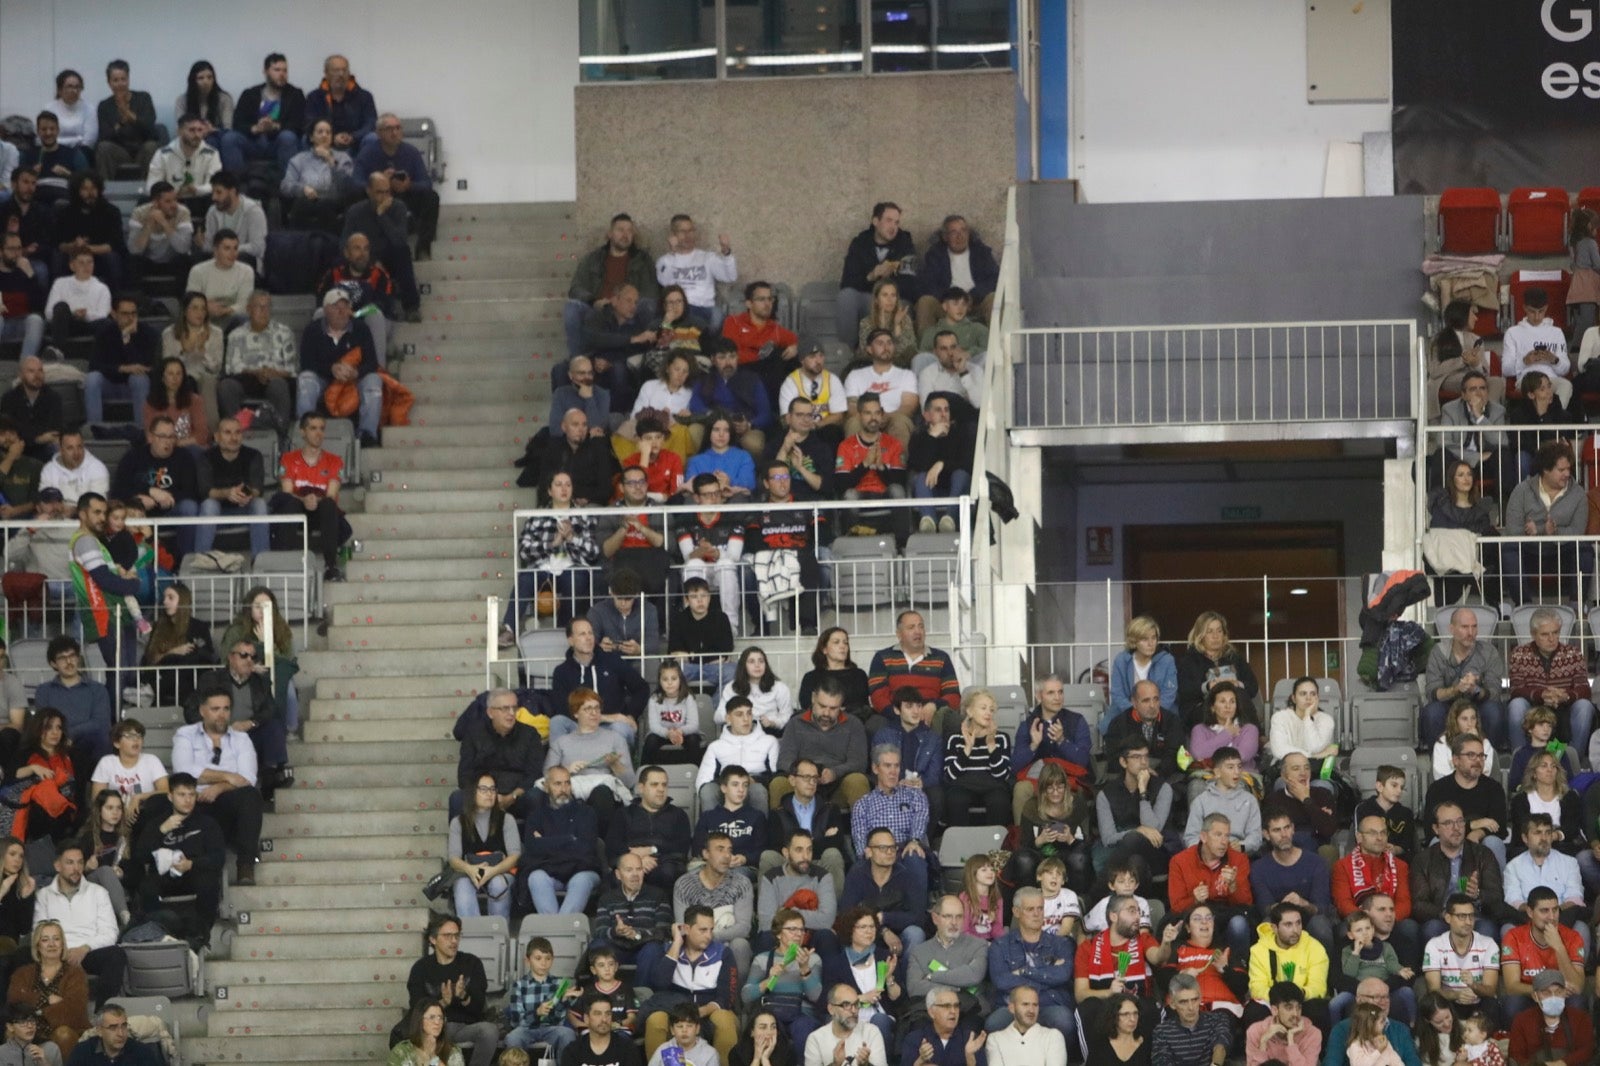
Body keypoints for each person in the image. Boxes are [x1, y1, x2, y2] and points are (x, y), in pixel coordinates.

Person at [169, 687, 265, 885]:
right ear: (202, 711)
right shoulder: (185, 734)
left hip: (227, 803)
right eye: (215, 709)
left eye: (226, 709)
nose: (222, 715)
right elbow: (184, 773)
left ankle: (245, 865)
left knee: (251, 796)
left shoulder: (241, 739)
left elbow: (247, 778)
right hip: (193, 802)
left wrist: (219, 787)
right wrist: (228, 776)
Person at [1075, 892, 1176, 1049]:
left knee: (1151, 1008)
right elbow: (1080, 994)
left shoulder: (1143, 939)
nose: (1138, 917)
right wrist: (1108, 993)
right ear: (1114, 916)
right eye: (1131, 911)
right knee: (1088, 1008)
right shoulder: (1088, 947)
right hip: (1104, 1005)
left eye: (1138, 912)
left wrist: (1166, 943)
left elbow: (1158, 958)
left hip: (1137, 1003)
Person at [30, 842, 123, 1004]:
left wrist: (84, 948)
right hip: (56, 953)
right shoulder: (44, 895)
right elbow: (39, 932)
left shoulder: (98, 892)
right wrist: (63, 953)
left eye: (80, 862)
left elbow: (110, 932)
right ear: (57, 866)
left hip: (89, 951)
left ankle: (103, 1012)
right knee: (22, 956)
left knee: (117, 955)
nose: (76, 868)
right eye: (70, 863)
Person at [645, 905, 741, 1060]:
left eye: (711, 929)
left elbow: (727, 997)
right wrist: (676, 943)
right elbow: (659, 984)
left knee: (725, 1020)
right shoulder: (670, 950)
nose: (709, 935)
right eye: (703, 930)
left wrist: (701, 1011)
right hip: (676, 1012)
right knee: (656, 1020)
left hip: (710, 1012)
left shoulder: (723, 953)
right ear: (687, 929)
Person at [1501, 441, 1589, 607]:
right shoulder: (1522, 490)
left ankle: (1577, 605)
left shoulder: (1578, 494)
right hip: (1531, 552)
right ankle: (1524, 606)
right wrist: (1533, 534)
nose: (1567, 474)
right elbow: (1512, 530)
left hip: (1561, 552)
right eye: (1561, 470)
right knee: (1509, 549)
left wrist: (1549, 532)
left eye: (1568, 469)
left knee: (1584, 549)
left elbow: (1577, 531)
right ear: (1545, 470)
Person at [271, 413, 354, 583]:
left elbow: (331, 493)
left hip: (322, 512)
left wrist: (315, 500)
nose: (319, 433)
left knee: (329, 504)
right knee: (288, 501)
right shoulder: (288, 459)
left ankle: (331, 566)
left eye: (322, 429)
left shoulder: (334, 461)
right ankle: (285, 562)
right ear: (302, 432)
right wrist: (304, 500)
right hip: (297, 508)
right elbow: (287, 491)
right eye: (313, 428)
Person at [405, 914, 497, 1066]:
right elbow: (417, 1008)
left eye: (456, 935)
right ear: (433, 939)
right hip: (435, 1028)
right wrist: (442, 1003)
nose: (454, 941)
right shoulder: (420, 968)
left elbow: (479, 1007)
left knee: (489, 1031)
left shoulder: (472, 963)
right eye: (448, 936)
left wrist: (464, 996)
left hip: (465, 1027)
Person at [564, 213, 659, 358]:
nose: (625, 235)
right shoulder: (593, 259)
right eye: (620, 230)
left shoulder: (643, 260)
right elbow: (576, 288)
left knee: (649, 305)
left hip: (629, 308)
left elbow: (651, 291)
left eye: (629, 231)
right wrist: (594, 301)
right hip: (598, 308)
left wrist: (625, 304)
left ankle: (644, 359)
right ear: (609, 234)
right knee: (572, 307)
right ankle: (578, 362)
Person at [985, 886, 1075, 1037]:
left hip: (1049, 1004)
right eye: (1030, 909)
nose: (1037, 914)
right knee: (994, 1024)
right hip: (1012, 1006)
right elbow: (1001, 981)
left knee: (1064, 1021)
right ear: (1016, 912)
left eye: (1040, 908)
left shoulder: (1060, 943)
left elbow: (1063, 975)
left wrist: (1024, 971)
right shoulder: (1000, 945)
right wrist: (1046, 976)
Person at [773, 679, 870, 811]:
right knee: (778, 784)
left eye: (833, 708)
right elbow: (784, 761)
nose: (826, 713)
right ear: (813, 698)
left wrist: (834, 773)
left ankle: (863, 831)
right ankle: (781, 830)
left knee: (857, 781)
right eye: (822, 706)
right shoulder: (795, 724)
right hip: (802, 783)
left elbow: (858, 763)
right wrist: (806, 774)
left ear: (841, 705)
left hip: (837, 785)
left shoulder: (854, 724)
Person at [1506, 609, 1595, 753]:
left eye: (1555, 632)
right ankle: (1521, 757)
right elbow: (1516, 689)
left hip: (1565, 707)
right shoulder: (1519, 653)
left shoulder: (1573, 653)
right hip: (1533, 707)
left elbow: (1584, 689)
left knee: (1584, 706)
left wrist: (1565, 696)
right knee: (1516, 705)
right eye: (1545, 634)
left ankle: (1573, 760)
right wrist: (1541, 695)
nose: (1552, 638)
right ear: (1533, 634)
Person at [1169, 811, 1255, 959]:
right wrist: (1194, 900)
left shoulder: (1239, 860)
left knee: (1239, 924)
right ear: (1203, 837)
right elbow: (1176, 906)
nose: (1224, 842)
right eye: (1218, 835)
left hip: (1227, 914)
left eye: (1227, 836)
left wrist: (1233, 886)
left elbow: (1246, 904)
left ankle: (1239, 967)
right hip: (1195, 915)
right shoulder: (1180, 861)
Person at [1421, 610, 1507, 754]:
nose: (1470, 632)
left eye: (1474, 627)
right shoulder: (1439, 652)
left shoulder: (1488, 651)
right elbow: (1433, 693)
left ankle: (1489, 760)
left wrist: (1475, 690)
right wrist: (1457, 689)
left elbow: (1495, 692)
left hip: (1478, 706)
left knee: (1494, 711)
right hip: (1448, 706)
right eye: (1465, 627)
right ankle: (1437, 760)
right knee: (1432, 712)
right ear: (1452, 629)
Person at [354, 113, 438, 260]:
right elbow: (356, 182)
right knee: (355, 197)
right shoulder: (368, 153)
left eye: (398, 128)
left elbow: (426, 183)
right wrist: (379, 182)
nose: (394, 133)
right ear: (379, 133)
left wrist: (409, 185)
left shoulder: (411, 152)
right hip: (378, 198)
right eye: (389, 129)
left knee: (432, 197)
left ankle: (424, 247)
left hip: (404, 196)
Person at [1502, 814, 1587, 952]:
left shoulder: (1569, 863)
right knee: (1507, 929)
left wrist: (1551, 913)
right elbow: (1513, 901)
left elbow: (1575, 897)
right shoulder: (1513, 866)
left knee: (1581, 928)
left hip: (1562, 919)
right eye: (1537, 833)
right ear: (1525, 838)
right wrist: (1538, 915)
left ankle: (1573, 973)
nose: (1544, 838)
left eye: (1548, 833)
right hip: (1527, 920)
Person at [1499, 885, 1585, 1020]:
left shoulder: (1573, 937)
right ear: (1530, 912)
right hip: (1531, 995)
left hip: (1561, 997)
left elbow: (1577, 987)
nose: (1552, 917)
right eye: (1544, 911)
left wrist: (1559, 948)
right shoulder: (1514, 936)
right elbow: (1511, 986)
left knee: (1577, 1002)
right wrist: (1544, 991)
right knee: (1513, 1003)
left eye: (1555, 910)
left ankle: (1569, 1041)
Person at [1421, 735, 1509, 867]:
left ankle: (1495, 887)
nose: (1478, 760)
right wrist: (1473, 824)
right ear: (1456, 760)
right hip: (1449, 841)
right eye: (1471, 755)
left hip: (1482, 844)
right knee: (1435, 843)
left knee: (1494, 843)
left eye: (1481, 756)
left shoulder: (1493, 788)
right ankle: (1441, 888)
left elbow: (1500, 827)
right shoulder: (1438, 789)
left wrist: (1478, 833)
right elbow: (1432, 829)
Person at [1095, 736, 1173, 882]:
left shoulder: (1163, 788)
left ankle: (1098, 891)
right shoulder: (1106, 794)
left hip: (1156, 852)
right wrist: (1137, 831)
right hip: (1121, 854)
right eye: (1136, 757)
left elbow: (1154, 829)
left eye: (1146, 757)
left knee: (1133, 840)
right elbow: (1108, 839)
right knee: (1135, 861)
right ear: (1123, 762)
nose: (1143, 763)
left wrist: (1143, 791)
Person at [343, 172, 420, 321]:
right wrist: (371, 262)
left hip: (391, 256)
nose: (384, 197)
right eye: (379, 192)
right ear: (368, 191)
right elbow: (344, 243)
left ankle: (411, 307)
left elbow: (399, 241)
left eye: (387, 192)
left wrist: (381, 215)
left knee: (403, 252)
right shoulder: (355, 212)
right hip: (364, 256)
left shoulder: (398, 207)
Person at [6, 922, 89, 1057]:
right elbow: (15, 1002)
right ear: (37, 945)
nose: (51, 944)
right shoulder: (22, 973)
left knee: (63, 1034)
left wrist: (35, 1008)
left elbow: (75, 1010)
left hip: (65, 1030)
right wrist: (46, 1000)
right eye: (45, 940)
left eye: (56, 939)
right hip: (29, 1028)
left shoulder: (76, 974)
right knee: (11, 1031)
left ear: (62, 944)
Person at [741, 910, 821, 1048]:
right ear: (778, 934)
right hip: (771, 1011)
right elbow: (745, 996)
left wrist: (804, 969)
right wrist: (768, 980)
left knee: (803, 1028)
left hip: (802, 1013)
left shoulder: (812, 959)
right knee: (770, 1026)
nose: (798, 934)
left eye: (802, 930)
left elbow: (815, 996)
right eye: (792, 929)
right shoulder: (763, 959)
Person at [837, 204, 916, 341]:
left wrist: (888, 286)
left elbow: (912, 285)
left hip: (896, 300)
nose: (893, 227)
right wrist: (872, 275)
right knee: (846, 297)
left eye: (896, 222)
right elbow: (847, 282)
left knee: (905, 305)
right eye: (888, 220)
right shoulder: (860, 243)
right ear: (875, 221)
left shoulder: (905, 244)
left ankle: (896, 353)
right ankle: (849, 354)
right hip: (868, 299)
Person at [446, 773, 520, 919]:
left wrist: (491, 872)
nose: (489, 794)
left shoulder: (507, 819)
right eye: (484, 789)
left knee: (499, 884)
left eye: (493, 789)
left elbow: (515, 856)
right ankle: (471, 934)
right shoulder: (458, 822)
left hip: (501, 871)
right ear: (473, 792)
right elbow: (453, 859)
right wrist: (470, 869)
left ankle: (498, 933)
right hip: (468, 871)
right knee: (462, 884)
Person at [608, 765, 693, 892]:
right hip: (630, 864)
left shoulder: (678, 815)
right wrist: (638, 861)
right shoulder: (624, 814)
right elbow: (612, 847)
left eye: (664, 785)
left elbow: (681, 849)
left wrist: (653, 850)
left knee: (668, 872)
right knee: (617, 877)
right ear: (641, 788)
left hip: (665, 865)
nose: (661, 789)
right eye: (654, 784)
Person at [217, 289, 296, 423]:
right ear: (248, 309)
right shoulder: (236, 335)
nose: (264, 311)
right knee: (226, 386)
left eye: (267, 307)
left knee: (280, 385)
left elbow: (291, 369)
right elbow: (232, 368)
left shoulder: (284, 332)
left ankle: (281, 430)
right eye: (259, 306)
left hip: (275, 378)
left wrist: (273, 373)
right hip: (246, 378)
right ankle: (234, 428)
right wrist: (256, 372)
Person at [593, 850, 674, 975]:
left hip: (645, 948)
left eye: (639, 869)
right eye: (629, 870)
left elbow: (665, 931)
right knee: (597, 945)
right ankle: (603, 991)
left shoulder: (658, 895)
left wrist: (637, 934)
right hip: (616, 949)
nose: (635, 874)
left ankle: (642, 992)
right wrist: (616, 932)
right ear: (618, 874)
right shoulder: (607, 898)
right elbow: (599, 932)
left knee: (654, 949)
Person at [1419, 893, 1499, 1019]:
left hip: (1480, 1003)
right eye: (1462, 916)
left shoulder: (1488, 944)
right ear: (1448, 918)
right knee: (1433, 1004)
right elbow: (1433, 990)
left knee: (1492, 1004)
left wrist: (1474, 985)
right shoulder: (1434, 945)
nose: (1468, 922)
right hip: (1450, 1003)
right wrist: (1457, 995)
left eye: (1471, 916)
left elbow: (1491, 990)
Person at [1175, 611, 1260, 729]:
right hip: (1202, 709)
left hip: (1233, 706)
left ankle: (1255, 735)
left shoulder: (1234, 657)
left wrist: (1237, 684)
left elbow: (1253, 686)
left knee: (1238, 693)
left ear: (1224, 634)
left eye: (1219, 631)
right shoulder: (1189, 660)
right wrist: (1208, 686)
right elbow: (1185, 691)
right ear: (1200, 635)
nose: (1215, 636)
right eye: (1209, 632)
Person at [941, 689, 1011, 827]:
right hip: (963, 786)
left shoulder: (1002, 738)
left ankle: (997, 847)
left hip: (993, 786)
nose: (988, 713)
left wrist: (991, 745)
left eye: (991, 710)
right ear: (969, 712)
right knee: (956, 799)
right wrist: (967, 748)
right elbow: (949, 775)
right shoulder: (955, 738)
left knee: (999, 800)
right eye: (983, 708)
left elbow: (1004, 776)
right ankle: (960, 845)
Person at [502, 936, 580, 1057]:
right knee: (512, 1038)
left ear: (552, 960)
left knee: (567, 1034)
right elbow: (516, 1022)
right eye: (538, 958)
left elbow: (558, 1021)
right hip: (526, 1029)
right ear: (527, 960)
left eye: (548, 958)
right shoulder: (519, 985)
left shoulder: (558, 984)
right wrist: (537, 1013)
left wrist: (563, 1001)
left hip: (551, 1028)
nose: (543, 963)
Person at [228, 53, 305, 173]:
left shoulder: (295, 94)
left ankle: (288, 186)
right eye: (277, 70)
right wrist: (254, 128)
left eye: (285, 70)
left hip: (278, 142)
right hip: (254, 141)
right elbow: (237, 123)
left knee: (288, 137)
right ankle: (233, 186)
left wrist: (275, 126)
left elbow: (299, 124)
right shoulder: (250, 94)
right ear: (265, 71)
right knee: (230, 138)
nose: (282, 74)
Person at [656, 215, 735, 324]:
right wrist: (672, 253)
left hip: (705, 308)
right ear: (673, 235)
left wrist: (726, 252)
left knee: (718, 316)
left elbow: (730, 277)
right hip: (680, 309)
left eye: (691, 231)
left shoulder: (707, 257)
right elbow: (664, 281)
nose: (688, 236)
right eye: (682, 231)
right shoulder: (665, 260)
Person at [843, 330, 917, 446]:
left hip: (894, 418)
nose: (886, 347)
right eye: (880, 343)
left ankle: (898, 464)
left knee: (901, 422)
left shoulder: (906, 375)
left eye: (889, 343)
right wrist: (872, 418)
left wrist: (887, 417)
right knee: (853, 422)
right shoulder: (855, 375)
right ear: (869, 349)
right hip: (864, 419)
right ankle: (856, 463)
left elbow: (908, 406)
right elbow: (852, 408)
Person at [1506, 969, 1594, 1066]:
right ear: (1535, 996)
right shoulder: (1522, 1021)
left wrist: (1561, 1063)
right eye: (1546, 993)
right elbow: (1515, 1056)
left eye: (1558, 992)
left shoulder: (1581, 1018)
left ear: (1565, 993)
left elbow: (1587, 1050)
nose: (1553, 997)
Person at [1501, 288, 1572, 404]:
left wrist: (1554, 360)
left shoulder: (1556, 332)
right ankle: (1547, 419)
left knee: (1566, 385)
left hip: (1551, 379)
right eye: (1532, 311)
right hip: (1527, 380)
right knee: (1539, 390)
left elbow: (1565, 369)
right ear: (1524, 308)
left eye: (1541, 311)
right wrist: (1524, 361)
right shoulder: (1512, 332)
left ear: (1546, 308)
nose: (1537, 316)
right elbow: (1505, 370)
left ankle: (1554, 417)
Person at [1105, 680, 1185, 778]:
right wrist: (1138, 772)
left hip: (1163, 776)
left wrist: (1156, 773)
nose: (1152, 705)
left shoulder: (1172, 721)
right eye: (1146, 700)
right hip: (1128, 777)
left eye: (1156, 699)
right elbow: (1114, 758)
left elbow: (1175, 755)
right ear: (1134, 702)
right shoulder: (1118, 724)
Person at [145, 115, 220, 215]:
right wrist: (169, 194)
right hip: (172, 202)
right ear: (179, 131)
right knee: (145, 202)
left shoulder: (212, 153)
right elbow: (151, 186)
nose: (197, 135)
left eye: (200, 130)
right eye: (192, 130)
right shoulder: (163, 154)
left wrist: (197, 190)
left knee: (216, 199)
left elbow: (214, 184)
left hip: (200, 200)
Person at [1151, 973, 1231, 1066]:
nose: (1191, 1007)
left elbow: (1220, 1046)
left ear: (1200, 998)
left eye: (1194, 1000)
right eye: (1183, 1002)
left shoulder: (1217, 1019)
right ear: (1172, 1004)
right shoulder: (1162, 1031)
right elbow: (1162, 1061)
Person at [306, 56, 378, 153]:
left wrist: (352, 137)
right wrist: (332, 137)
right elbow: (310, 124)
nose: (341, 74)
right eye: (336, 70)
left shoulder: (364, 96)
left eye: (344, 70)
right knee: (306, 139)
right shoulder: (314, 97)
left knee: (372, 138)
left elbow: (371, 123)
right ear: (326, 73)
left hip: (356, 144)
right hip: (326, 144)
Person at [184, 230, 253, 329]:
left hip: (232, 319)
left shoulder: (246, 271)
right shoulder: (198, 271)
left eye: (235, 248)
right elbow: (190, 302)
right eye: (227, 248)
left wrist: (223, 311)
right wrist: (206, 308)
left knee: (243, 319)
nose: (232, 253)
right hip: (204, 317)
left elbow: (245, 305)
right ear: (215, 251)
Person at [47, 249, 111, 354]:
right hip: (66, 322)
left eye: (90, 262)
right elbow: (49, 312)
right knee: (61, 307)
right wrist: (72, 313)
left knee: (107, 324)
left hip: (90, 324)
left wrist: (86, 314)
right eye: (81, 262)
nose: (86, 266)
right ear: (72, 266)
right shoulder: (60, 283)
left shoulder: (102, 288)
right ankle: (57, 351)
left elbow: (103, 314)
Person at [1269, 677, 1340, 771]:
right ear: (1294, 698)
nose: (1308, 698)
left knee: (1321, 785)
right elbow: (1279, 750)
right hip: (1286, 771)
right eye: (1303, 694)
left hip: (1316, 772)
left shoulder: (1326, 720)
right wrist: (1314, 756)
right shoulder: (1280, 718)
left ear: (1317, 698)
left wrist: (1307, 718)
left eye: (1313, 694)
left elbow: (1314, 747)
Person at [203, 173, 268, 270]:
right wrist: (202, 244)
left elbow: (258, 247)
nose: (214, 198)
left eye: (219, 192)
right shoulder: (212, 212)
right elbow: (210, 247)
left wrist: (227, 250)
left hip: (244, 263)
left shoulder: (253, 211)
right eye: (213, 193)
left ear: (232, 192)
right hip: (217, 261)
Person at [66, 1002, 162, 1066]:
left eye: (123, 1026)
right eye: (113, 1028)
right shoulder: (82, 1052)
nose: (120, 1033)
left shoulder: (142, 1053)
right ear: (99, 1030)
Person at [917, 332, 985, 417]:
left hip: (970, 421)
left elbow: (979, 405)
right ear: (935, 352)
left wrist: (963, 373)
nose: (950, 353)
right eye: (944, 349)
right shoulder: (927, 373)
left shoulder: (975, 370)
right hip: (941, 421)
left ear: (959, 348)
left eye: (953, 347)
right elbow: (926, 409)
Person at [563, 996, 645, 1066]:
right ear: (586, 1018)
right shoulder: (573, 1051)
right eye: (597, 1014)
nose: (604, 1019)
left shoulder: (627, 1049)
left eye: (608, 1014)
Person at [388, 1001, 465, 1066]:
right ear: (419, 1020)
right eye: (432, 1017)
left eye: (440, 1018)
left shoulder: (452, 1051)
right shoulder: (401, 1052)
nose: (437, 1022)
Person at [730, 1010, 799, 1066]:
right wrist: (756, 1059)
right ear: (752, 1032)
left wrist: (765, 1060)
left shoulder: (788, 1052)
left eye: (773, 1027)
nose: (769, 1032)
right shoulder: (737, 1053)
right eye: (763, 1027)